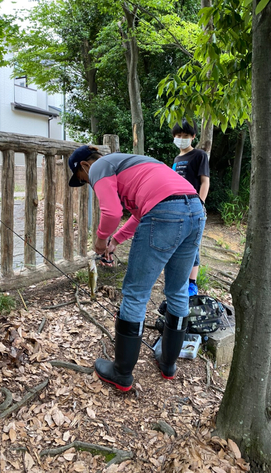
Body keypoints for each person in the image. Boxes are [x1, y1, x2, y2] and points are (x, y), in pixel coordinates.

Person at [68, 145, 206, 391]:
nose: (89, 184)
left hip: (165, 212)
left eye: (83, 180)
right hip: (195, 210)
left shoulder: (100, 166)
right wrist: (116, 241)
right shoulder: (134, 164)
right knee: (178, 289)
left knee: (135, 293)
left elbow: (112, 213)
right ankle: (168, 365)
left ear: (84, 166)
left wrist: (100, 241)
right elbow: (139, 213)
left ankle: (121, 373)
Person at [172, 119, 210, 296]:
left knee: (193, 245)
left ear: (193, 137)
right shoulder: (177, 159)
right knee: (180, 244)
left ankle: (192, 284)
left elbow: (205, 182)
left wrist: (200, 205)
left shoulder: (199, 155)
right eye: (178, 136)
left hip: (194, 208)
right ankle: (179, 279)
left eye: (185, 136)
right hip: (177, 208)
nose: (181, 139)